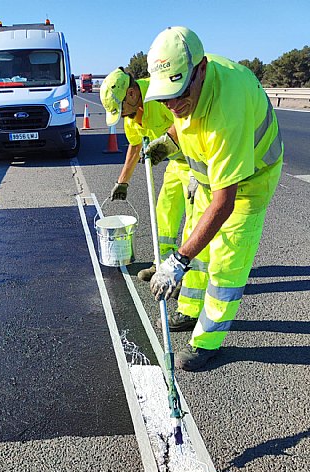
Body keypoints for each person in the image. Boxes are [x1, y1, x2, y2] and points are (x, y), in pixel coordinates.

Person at [143, 26, 283, 370]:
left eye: (178, 93)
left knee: (224, 264)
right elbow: (186, 119)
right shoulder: (189, 88)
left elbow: (225, 204)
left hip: (249, 182)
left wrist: (177, 262)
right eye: (165, 97)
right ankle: (190, 310)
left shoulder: (226, 112)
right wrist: (169, 140)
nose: (172, 104)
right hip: (210, 180)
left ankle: (207, 341)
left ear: (201, 69)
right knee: (198, 240)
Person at [100, 68, 197, 271]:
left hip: (197, 161)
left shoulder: (160, 94)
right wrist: (122, 181)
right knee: (164, 211)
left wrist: (198, 170)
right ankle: (162, 264)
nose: (123, 115)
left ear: (132, 94)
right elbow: (135, 147)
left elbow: (189, 120)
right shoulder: (131, 117)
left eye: (121, 108)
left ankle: (188, 271)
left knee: (194, 217)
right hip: (177, 162)